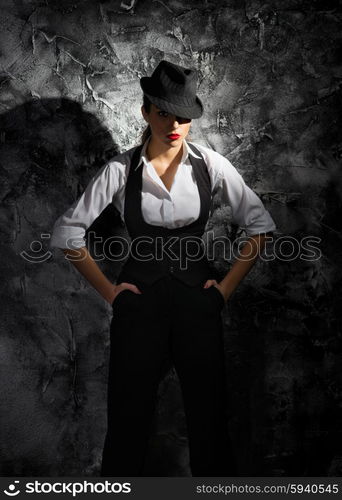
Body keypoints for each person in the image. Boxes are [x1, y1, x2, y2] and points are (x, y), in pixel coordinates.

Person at [50, 60, 276, 477]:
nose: (174, 125)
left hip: (198, 304)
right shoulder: (120, 169)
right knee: (127, 421)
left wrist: (223, 291)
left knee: (210, 422)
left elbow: (260, 228)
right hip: (139, 306)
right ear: (145, 113)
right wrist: (109, 290)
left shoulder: (212, 166)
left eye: (183, 117)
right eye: (163, 113)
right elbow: (67, 234)